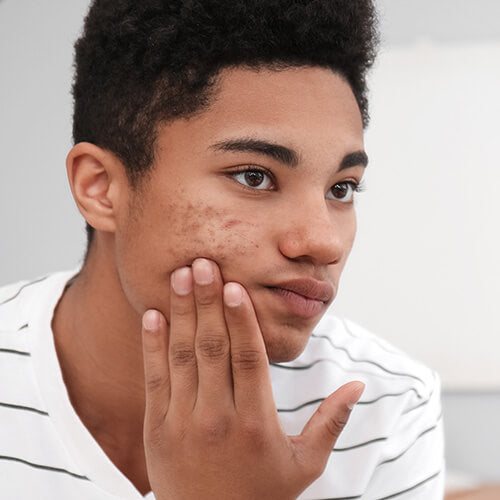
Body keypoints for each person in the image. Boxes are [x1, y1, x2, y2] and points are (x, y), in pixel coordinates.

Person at [0, 0, 444, 498]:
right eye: (254, 177)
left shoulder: (386, 410)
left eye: (341, 188)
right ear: (101, 188)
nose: (324, 242)